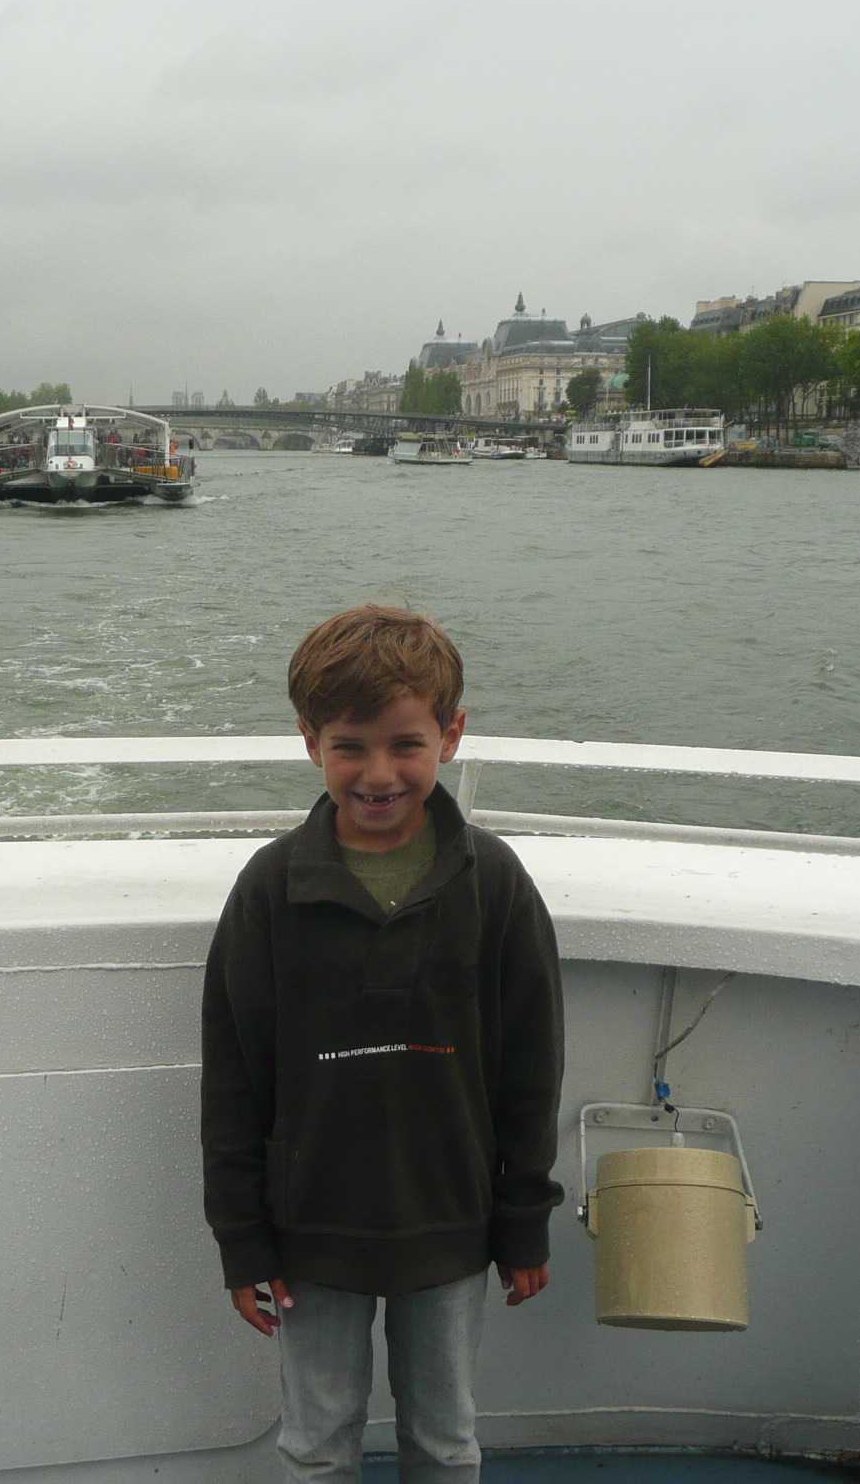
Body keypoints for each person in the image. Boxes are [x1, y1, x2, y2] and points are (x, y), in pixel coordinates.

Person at [201, 604, 565, 1481]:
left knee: (444, 1440)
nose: (378, 773)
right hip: (309, 1234)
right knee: (315, 1443)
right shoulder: (271, 889)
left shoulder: (495, 883)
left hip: (451, 1225)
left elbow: (531, 1065)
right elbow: (233, 1079)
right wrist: (243, 1239)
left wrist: (523, 1221)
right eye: (349, 747)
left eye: (406, 744)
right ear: (310, 742)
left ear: (451, 735)